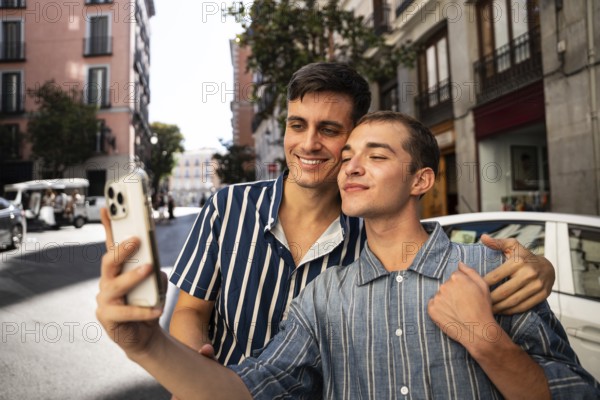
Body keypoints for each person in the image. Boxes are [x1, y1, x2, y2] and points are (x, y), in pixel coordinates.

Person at [96, 111, 600, 399]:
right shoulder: (325, 297)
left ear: (421, 180)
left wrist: (486, 340)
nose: (352, 167)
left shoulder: (494, 275)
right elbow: (241, 393)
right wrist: (144, 344)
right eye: (349, 158)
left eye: (376, 156)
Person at [167, 62, 556, 367]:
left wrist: (539, 268)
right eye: (297, 125)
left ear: (352, 138)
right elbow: (189, 310)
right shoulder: (228, 206)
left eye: (329, 130)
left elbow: (431, 259)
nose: (308, 144)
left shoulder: (373, 227)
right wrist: (194, 366)